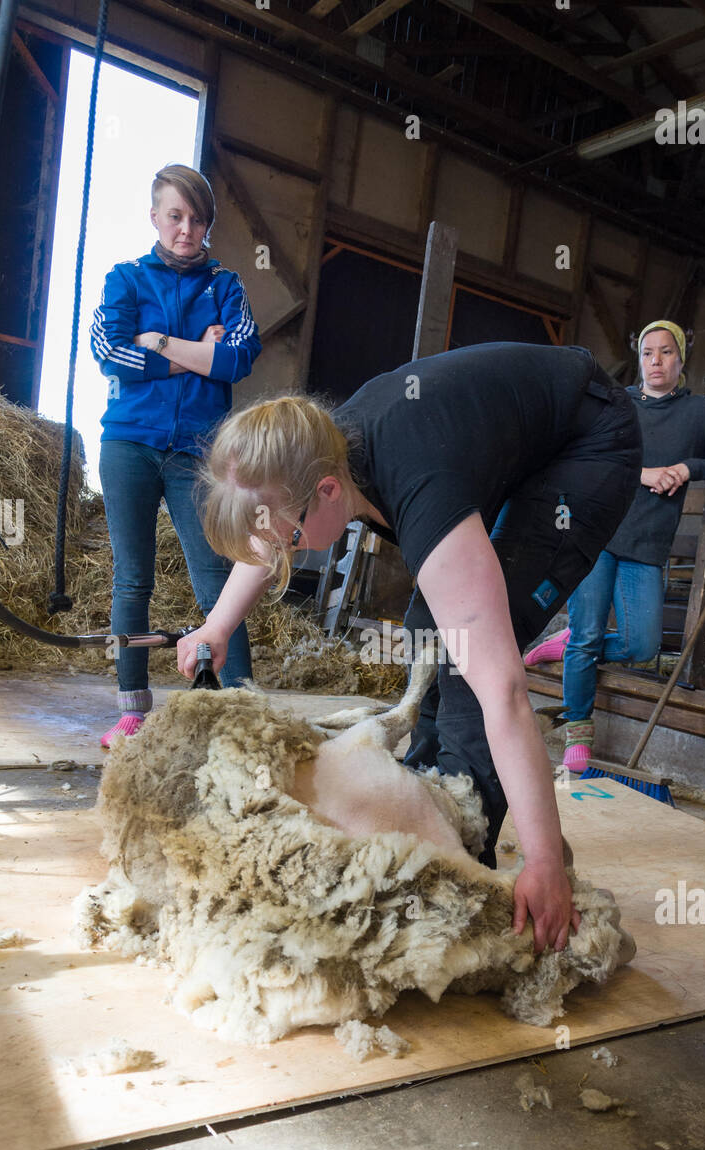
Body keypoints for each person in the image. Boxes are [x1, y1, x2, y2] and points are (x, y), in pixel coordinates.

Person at [176, 342, 643, 951]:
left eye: (291, 538)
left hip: (589, 439)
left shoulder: (415, 480)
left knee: (469, 660)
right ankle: (426, 803)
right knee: (431, 624)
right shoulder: (315, 450)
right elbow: (272, 532)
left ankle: (459, 850)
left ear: (326, 491)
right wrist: (216, 626)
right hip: (507, 439)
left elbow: (504, 692)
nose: (285, 553)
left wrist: (544, 860)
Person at [524, 320, 705, 771]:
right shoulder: (619, 402)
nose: (656, 361)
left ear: (681, 361)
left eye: (666, 352)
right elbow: (580, 455)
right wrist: (642, 473)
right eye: (648, 353)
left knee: (642, 644)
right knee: (589, 635)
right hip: (598, 533)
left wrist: (687, 468)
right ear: (640, 358)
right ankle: (577, 730)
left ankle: (567, 644)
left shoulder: (699, 413)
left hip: (647, 542)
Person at [90, 162, 262, 747]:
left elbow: (239, 357)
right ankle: (133, 708)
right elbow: (108, 352)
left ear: (208, 225)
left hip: (199, 452)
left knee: (215, 576)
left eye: (198, 219)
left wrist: (157, 340)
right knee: (131, 580)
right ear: (155, 216)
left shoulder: (226, 285)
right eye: (175, 216)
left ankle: (240, 702)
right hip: (129, 445)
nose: (186, 229)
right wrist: (195, 352)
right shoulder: (126, 278)